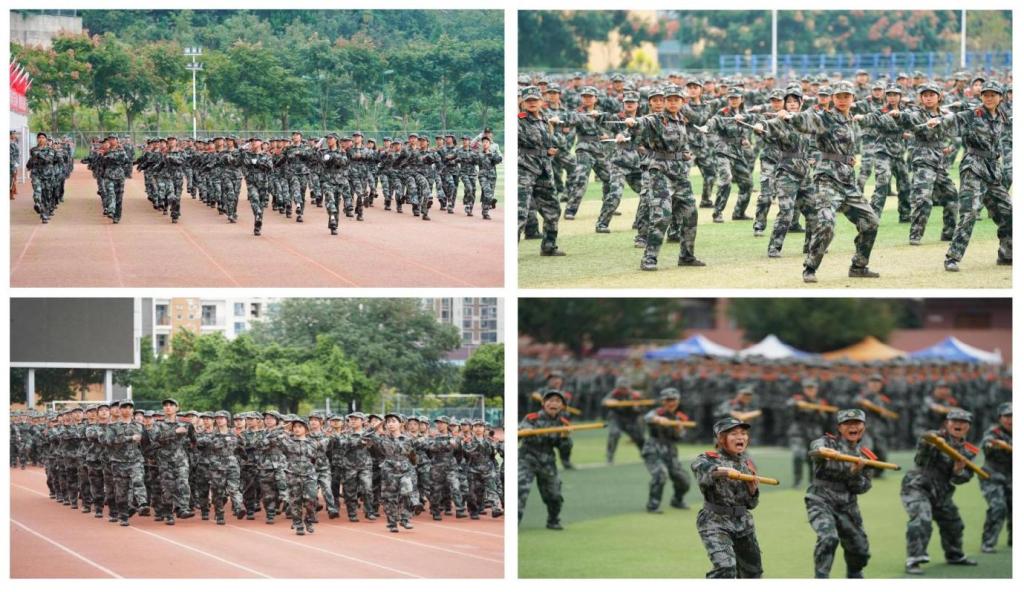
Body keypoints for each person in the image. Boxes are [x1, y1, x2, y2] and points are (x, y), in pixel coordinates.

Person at [776, 81, 880, 283]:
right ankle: (810, 268)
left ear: (853, 98)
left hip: (848, 181)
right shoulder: (825, 117)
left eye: (846, 96)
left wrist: (848, 159)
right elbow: (806, 120)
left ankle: (858, 266)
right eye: (838, 96)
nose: (842, 100)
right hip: (827, 180)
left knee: (871, 222)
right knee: (826, 224)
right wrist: (790, 116)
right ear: (833, 98)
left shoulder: (850, 119)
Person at [902, 409, 979, 575]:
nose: (958, 425)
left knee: (953, 523)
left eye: (963, 422)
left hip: (942, 490)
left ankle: (954, 555)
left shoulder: (969, 451)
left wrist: (958, 471)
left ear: (968, 427)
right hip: (918, 486)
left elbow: (962, 479)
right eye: (954, 421)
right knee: (922, 518)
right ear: (947, 423)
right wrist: (928, 444)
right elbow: (920, 458)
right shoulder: (934, 438)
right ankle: (914, 559)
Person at [805, 409, 875, 578]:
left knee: (860, 549)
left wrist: (855, 473)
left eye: (857, 423)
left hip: (847, 505)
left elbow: (863, 488)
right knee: (828, 537)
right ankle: (821, 578)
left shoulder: (866, 456)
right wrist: (824, 451)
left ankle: (854, 574)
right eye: (847, 424)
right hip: (820, 500)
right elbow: (816, 448)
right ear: (839, 427)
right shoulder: (827, 443)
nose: (853, 427)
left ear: (864, 427)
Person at [691, 417, 763, 578]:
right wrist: (722, 471)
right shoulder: (707, 458)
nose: (740, 437)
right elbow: (702, 469)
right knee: (726, 568)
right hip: (714, 521)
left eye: (743, 433)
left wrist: (752, 491)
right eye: (734, 434)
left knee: (753, 574)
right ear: (721, 438)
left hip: (743, 522)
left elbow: (751, 504)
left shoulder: (748, 463)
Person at [518, 389, 569, 530]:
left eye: (557, 401)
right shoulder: (532, 418)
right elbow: (517, 434)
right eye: (550, 401)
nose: (553, 404)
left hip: (547, 462)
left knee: (554, 495)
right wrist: (524, 432)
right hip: (526, 460)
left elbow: (564, 452)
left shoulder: (563, 423)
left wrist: (565, 438)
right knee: (519, 491)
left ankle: (553, 520)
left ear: (562, 406)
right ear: (543, 403)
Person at [642, 388, 692, 512]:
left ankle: (677, 500)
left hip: (670, 450)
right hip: (653, 449)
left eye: (674, 400)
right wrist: (658, 419)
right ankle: (653, 504)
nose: (671, 403)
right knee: (660, 474)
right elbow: (647, 417)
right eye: (668, 400)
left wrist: (679, 429)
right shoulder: (657, 412)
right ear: (663, 401)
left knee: (683, 479)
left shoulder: (679, 417)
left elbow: (681, 437)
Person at [979, 402, 1012, 553]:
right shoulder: (993, 432)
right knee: (998, 507)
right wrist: (997, 445)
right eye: (1007, 416)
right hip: (992, 476)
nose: (1011, 420)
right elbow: (987, 444)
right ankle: (988, 543)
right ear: (1000, 418)